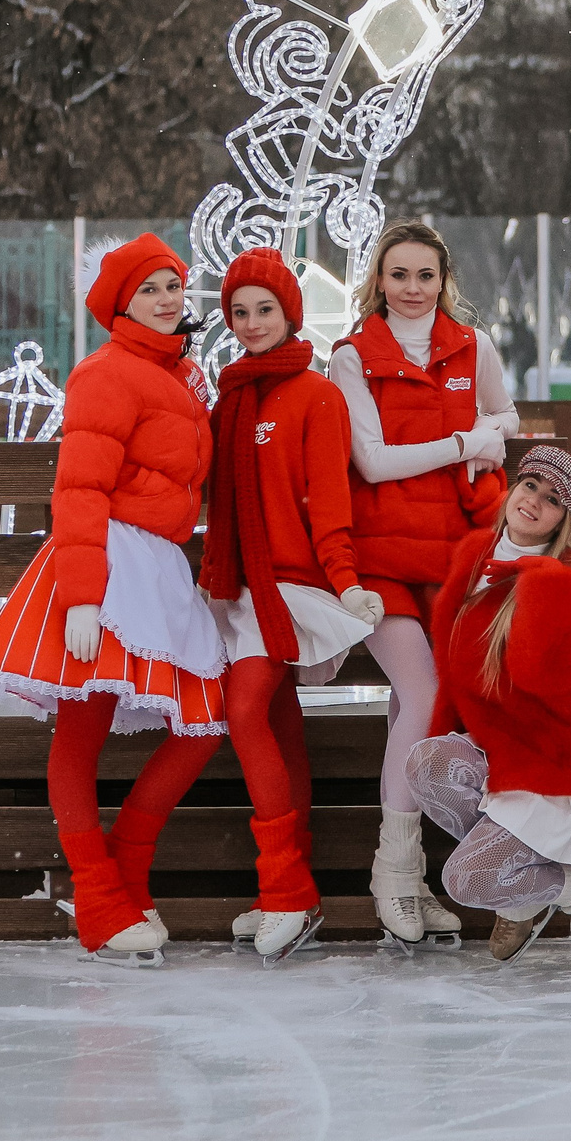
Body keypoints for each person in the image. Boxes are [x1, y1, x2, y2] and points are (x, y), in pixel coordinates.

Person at [0, 234, 225, 966]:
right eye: (151, 289)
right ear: (120, 304)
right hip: (108, 565)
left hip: (162, 567)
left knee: (203, 722)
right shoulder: (105, 373)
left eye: (174, 284)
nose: (169, 298)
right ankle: (99, 896)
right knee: (81, 733)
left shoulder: (181, 376)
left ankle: (122, 874)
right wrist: (82, 599)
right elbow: (78, 490)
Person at [330, 220, 520, 948]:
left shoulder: (473, 347)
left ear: (445, 281)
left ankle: (415, 876)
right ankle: (394, 869)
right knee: (425, 691)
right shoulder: (352, 358)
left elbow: (502, 414)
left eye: (426, 276)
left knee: (423, 704)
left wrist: (488, 432)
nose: (412, 289)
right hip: (377, 561)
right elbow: (371, 463)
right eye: (399, 275)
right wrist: (463, 444)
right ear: (378, 279)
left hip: (453, 557)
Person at [198, 248, 386, 962]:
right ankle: (286, 888)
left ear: (290, 314)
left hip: (294, 591)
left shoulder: (317, 396)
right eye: (239, 312)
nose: (250, 324)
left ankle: (288, 893)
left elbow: (329, 509)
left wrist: (345, 585)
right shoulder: (230, 399)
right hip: (241, 590)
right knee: (275, 723)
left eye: (264, 310)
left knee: (244, 712)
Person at [410, 447, 571, 965]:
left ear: (567, 519)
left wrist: (540, 582)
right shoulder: (476, 553)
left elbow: (542, 677)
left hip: (560, 760)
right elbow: (452, 669)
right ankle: (526, 890)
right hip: (503, 750)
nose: (535, 501)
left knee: (465, 879)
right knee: (426, 762)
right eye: (531, 484)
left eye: (554, 499)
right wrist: (444, 734)